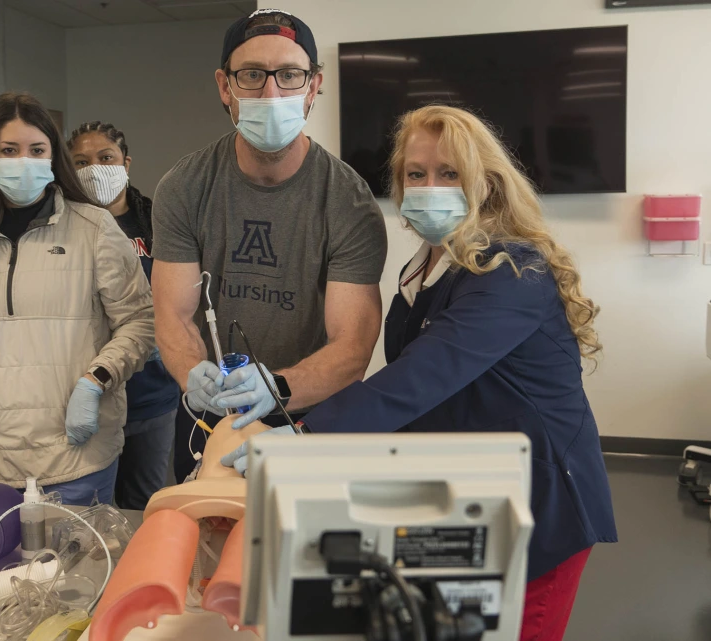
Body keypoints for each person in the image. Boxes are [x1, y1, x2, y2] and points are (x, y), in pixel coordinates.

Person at [221, 105, 617, 641]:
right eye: (416, 174)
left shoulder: (512, 270)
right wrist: (282, 393)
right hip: (473, 486)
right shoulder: (423, 268)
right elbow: (416, 386)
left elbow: (423, 377)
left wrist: (309, 438)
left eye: (449, 172)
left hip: (540, 499)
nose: (430, 186)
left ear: (486, 183)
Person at [151, 8, 387, 482]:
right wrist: (192, 373)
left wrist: (277, 386)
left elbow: (353, 347)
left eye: (290, 75)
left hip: (303, 418)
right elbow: (172, 315)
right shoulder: (185, 187)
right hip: (209, 413)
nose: (272, 92)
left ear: (314, 86)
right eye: (253, 75)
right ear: (225, 86)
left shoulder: (349, 202)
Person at [0, 92, 155, 506]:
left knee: (80, 570)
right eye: (9, 150)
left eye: (37, 150)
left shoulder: (94, 228)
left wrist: (96, 379)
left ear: (52, 156)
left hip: (76, 455)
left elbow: (139, 321)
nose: (23, 161)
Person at [67, 121, 181, 510]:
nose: (93, 169)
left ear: (125, 163)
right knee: (87, 509)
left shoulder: (157, 223)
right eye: (80, 162)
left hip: (152, 392)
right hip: (88, 392)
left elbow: (182, 295)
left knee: (141, 506)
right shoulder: (65, 228)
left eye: (105, 158)